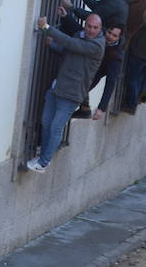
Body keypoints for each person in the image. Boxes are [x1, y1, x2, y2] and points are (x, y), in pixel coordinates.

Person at [26, 12, 104, 173]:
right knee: (46, 122)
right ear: (85, 24)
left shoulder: (97, 46)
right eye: (89, 26)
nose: (91, 30)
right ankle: (44, 154)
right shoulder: (80, 35)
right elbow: (69, 51)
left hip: (72, 94)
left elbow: (71, 44)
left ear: (100, 29)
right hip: (58, 87)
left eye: (95, 28)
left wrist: (46, 28)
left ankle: (44, 162)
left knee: (55, 127)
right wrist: (52, 45)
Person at [71, 23, 124, 121]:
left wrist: (101, 108)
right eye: (109, 32)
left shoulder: (116, 57)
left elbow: (110, 83)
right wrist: (66, 16)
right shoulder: (98, 35)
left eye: (114, 35)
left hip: (87, 82)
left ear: (119, 38)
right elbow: (80, 31)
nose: (110, 37)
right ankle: (85, 108)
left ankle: (84, 108)